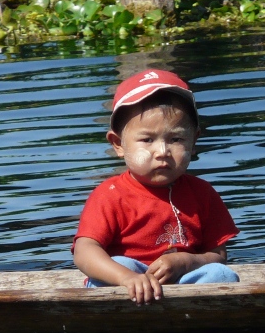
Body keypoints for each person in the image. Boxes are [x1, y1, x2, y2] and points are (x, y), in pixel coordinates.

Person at [72, 69, 239, 306]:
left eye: (176, 139)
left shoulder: (202, 193)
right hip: (127, 286)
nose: (162, 152)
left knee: (222, 275)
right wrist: (127, 277)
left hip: (184, 280)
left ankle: (200, 328)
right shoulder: (109, 195)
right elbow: (84, 251)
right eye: (147, 140)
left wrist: (188, 262)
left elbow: (218, 254)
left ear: (194, 142)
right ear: (118, 144)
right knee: (123, 262)